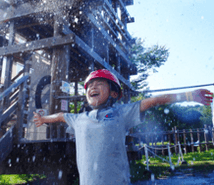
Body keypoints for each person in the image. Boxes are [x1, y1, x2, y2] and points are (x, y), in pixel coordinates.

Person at [33, 69, 213, 185]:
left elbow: (153, 101)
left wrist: (188, 95)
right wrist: (43, 119)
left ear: (113, 93)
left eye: (99, 84)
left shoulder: (121, 114)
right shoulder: (79, 118)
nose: (93, 87)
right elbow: (60, 116)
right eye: (90, 85)